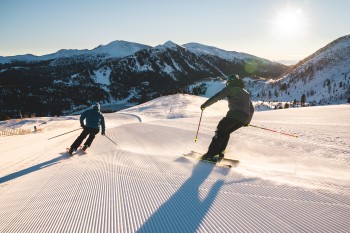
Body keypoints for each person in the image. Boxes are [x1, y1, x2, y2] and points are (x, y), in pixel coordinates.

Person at [200, 74, 254, 162]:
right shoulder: (246, 93)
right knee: (225, 133)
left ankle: (210, 155)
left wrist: (204, 105)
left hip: (233, 115)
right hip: (243, 119)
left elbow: (217, 97)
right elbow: (251, 109)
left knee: (220, 132)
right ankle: (219, 153)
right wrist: (247, 121)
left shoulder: (230, 88)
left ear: (229, 82)